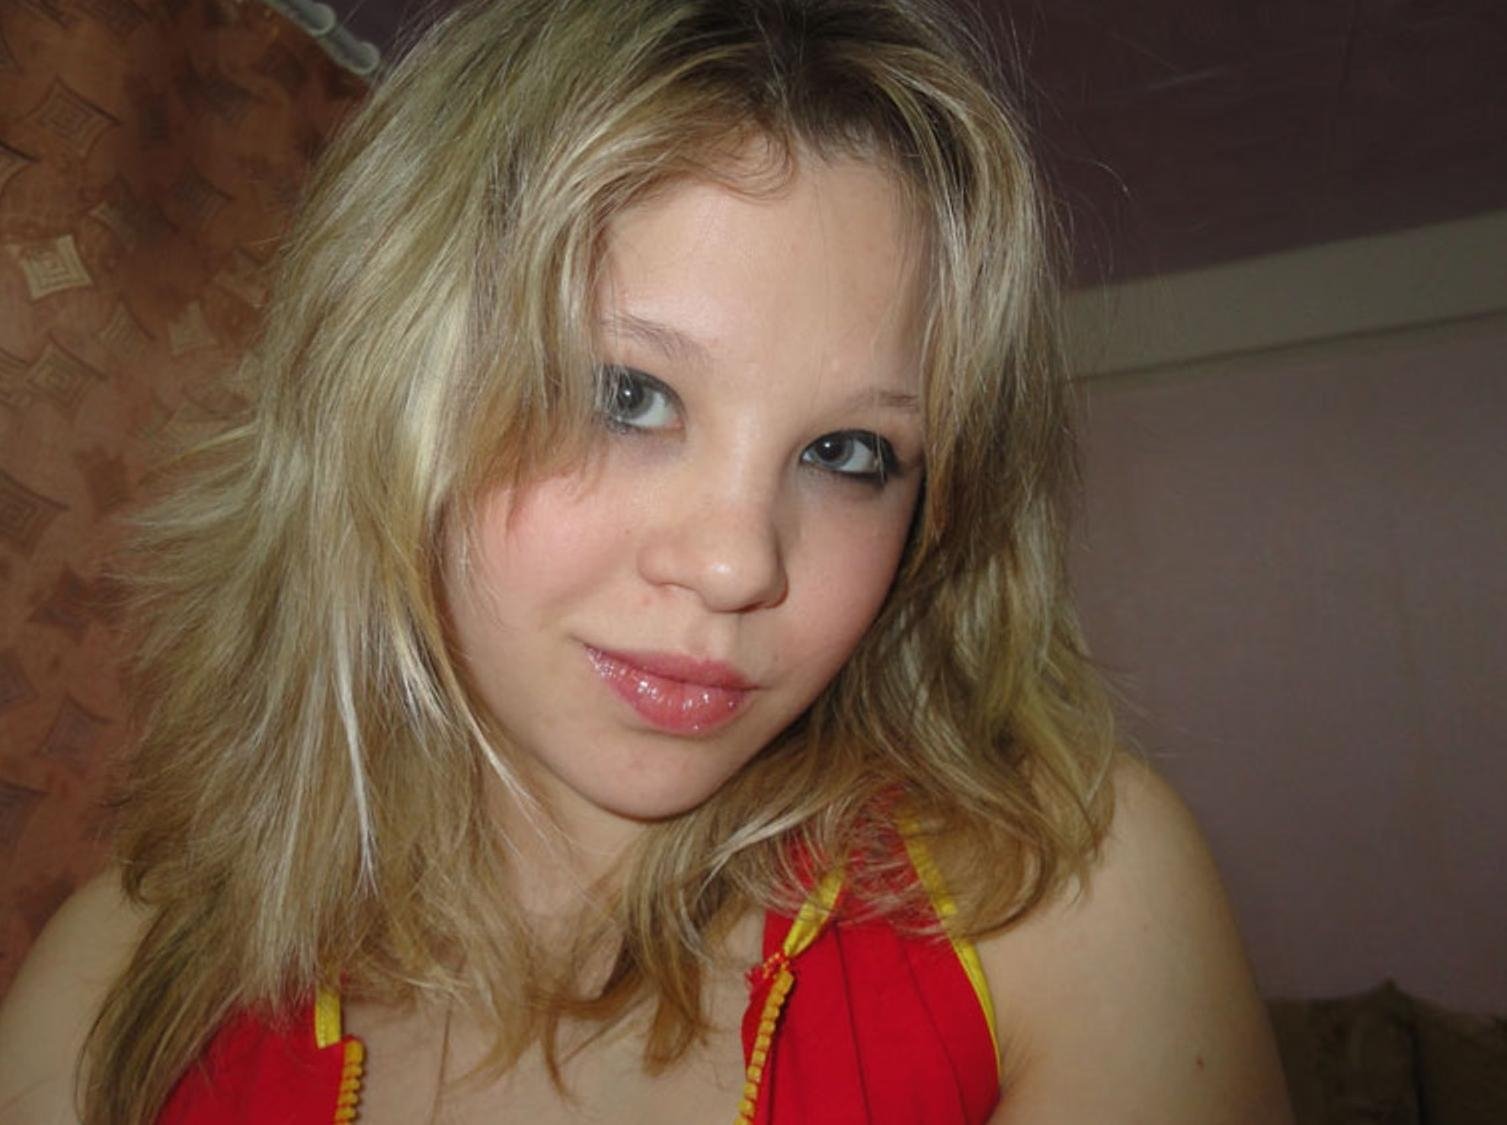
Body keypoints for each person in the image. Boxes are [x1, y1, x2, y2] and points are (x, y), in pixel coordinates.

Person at [0, 0, 1291, 1121]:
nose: (736, 565)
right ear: (383, 388)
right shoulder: (118, 983)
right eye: (624, 394)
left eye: (847, 452)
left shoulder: (1067, 905)